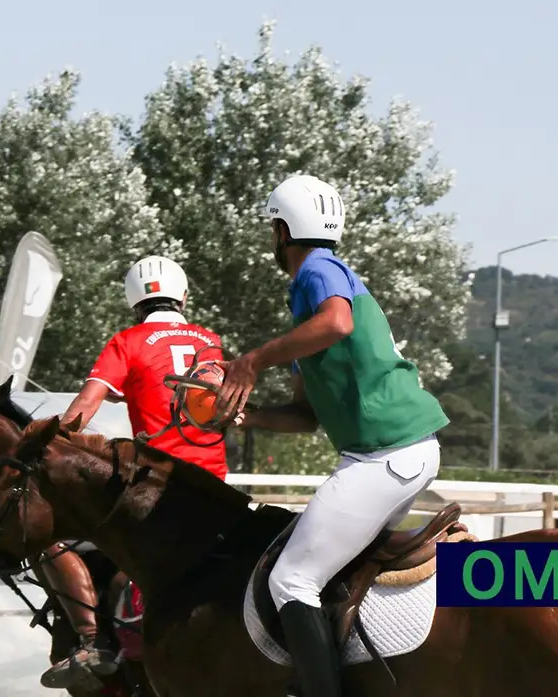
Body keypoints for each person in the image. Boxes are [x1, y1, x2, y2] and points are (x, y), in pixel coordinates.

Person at [214, 174, 450, 697]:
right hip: (398, 452)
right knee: (328, 573)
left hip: (385, 457)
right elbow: (305, 417)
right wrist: (244, 416)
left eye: (271, 230)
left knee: (290, 580)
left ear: (281, 232)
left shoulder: (317, 271)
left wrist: (251, 360)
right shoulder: (314, 300)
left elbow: (338, 323)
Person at [35, 254, 231, 690]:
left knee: (53, 539)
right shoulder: (208, 341)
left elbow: (83, 409)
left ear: (133, 301)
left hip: (163, 491)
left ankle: (92, 641)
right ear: (183, 297)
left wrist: (48, 443)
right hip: (217, 490)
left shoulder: (127, 342)